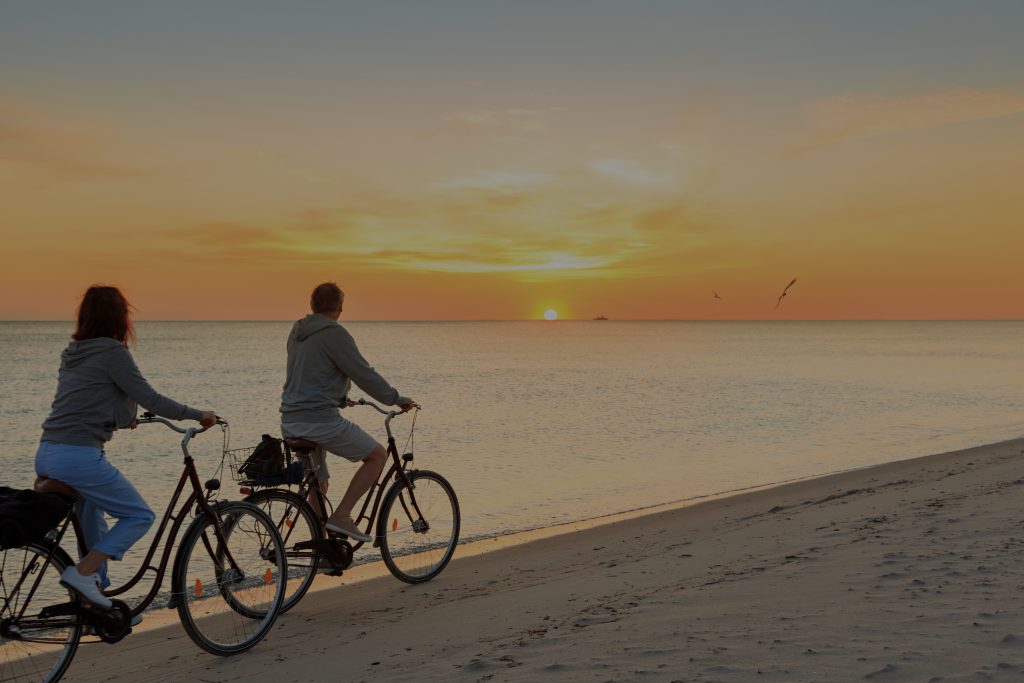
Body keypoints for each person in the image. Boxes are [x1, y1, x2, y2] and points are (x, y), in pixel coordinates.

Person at [37, 285, 216, 612]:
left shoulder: (76, 352)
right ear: (120, 317)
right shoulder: (113, 352)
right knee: (139, 515)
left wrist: (123, 420)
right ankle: (83, 573)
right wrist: (199, 414)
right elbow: (152, 399)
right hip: (78, 456)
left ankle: (97, 601)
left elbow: (88, 401)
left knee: (93, 521)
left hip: (48, 451)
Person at [280, 282, 414, 543]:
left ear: (313, 306)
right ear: (341, 306)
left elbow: (310, 372)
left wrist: (339, 397)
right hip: (319, 422)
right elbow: (363, 373)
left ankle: (324, 551)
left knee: (319, 484)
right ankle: (342, 517)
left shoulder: (297, 332)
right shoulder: (335, 334)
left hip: (290, 420)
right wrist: (395, 399)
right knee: (377, 456)